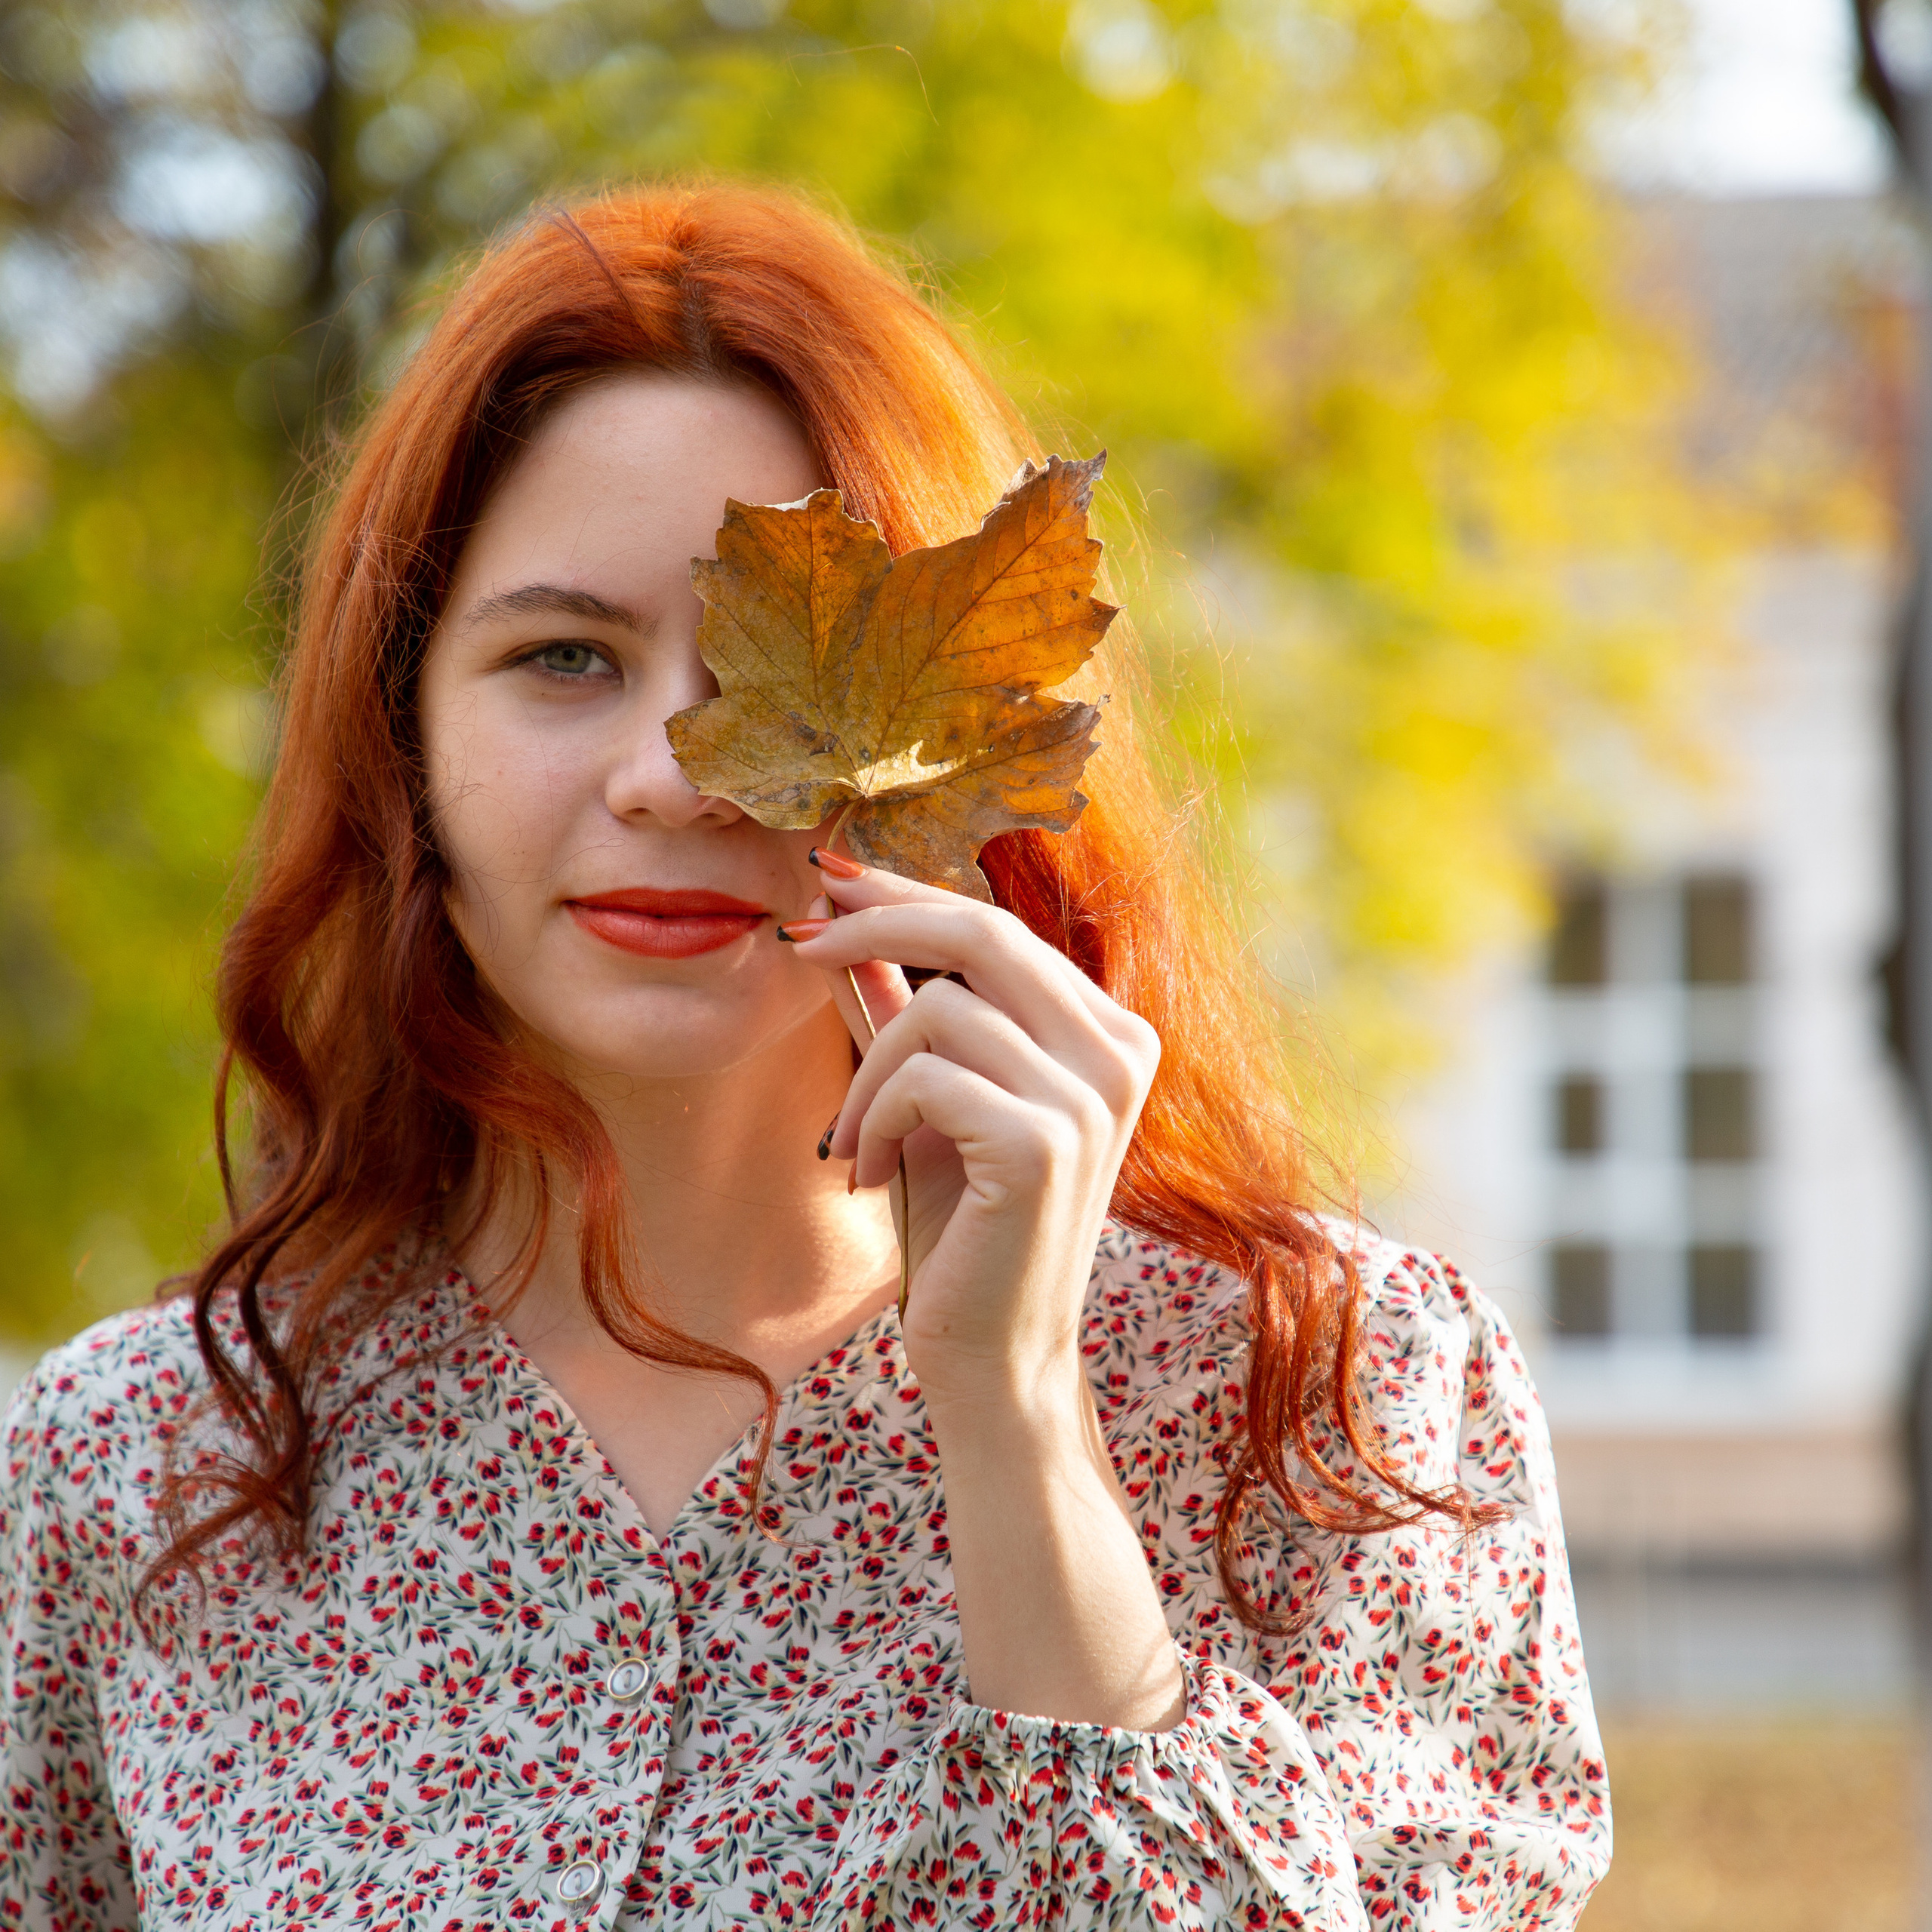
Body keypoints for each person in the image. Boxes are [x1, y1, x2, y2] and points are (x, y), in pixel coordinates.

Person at [0, 183, 1608, 1931]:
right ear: (404, 738)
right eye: (561, 657)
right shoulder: (143, 1465)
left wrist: (1017, 1417)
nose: (674, 777)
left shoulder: (1326, 1405)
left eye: (771, 672)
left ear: (970, 738)